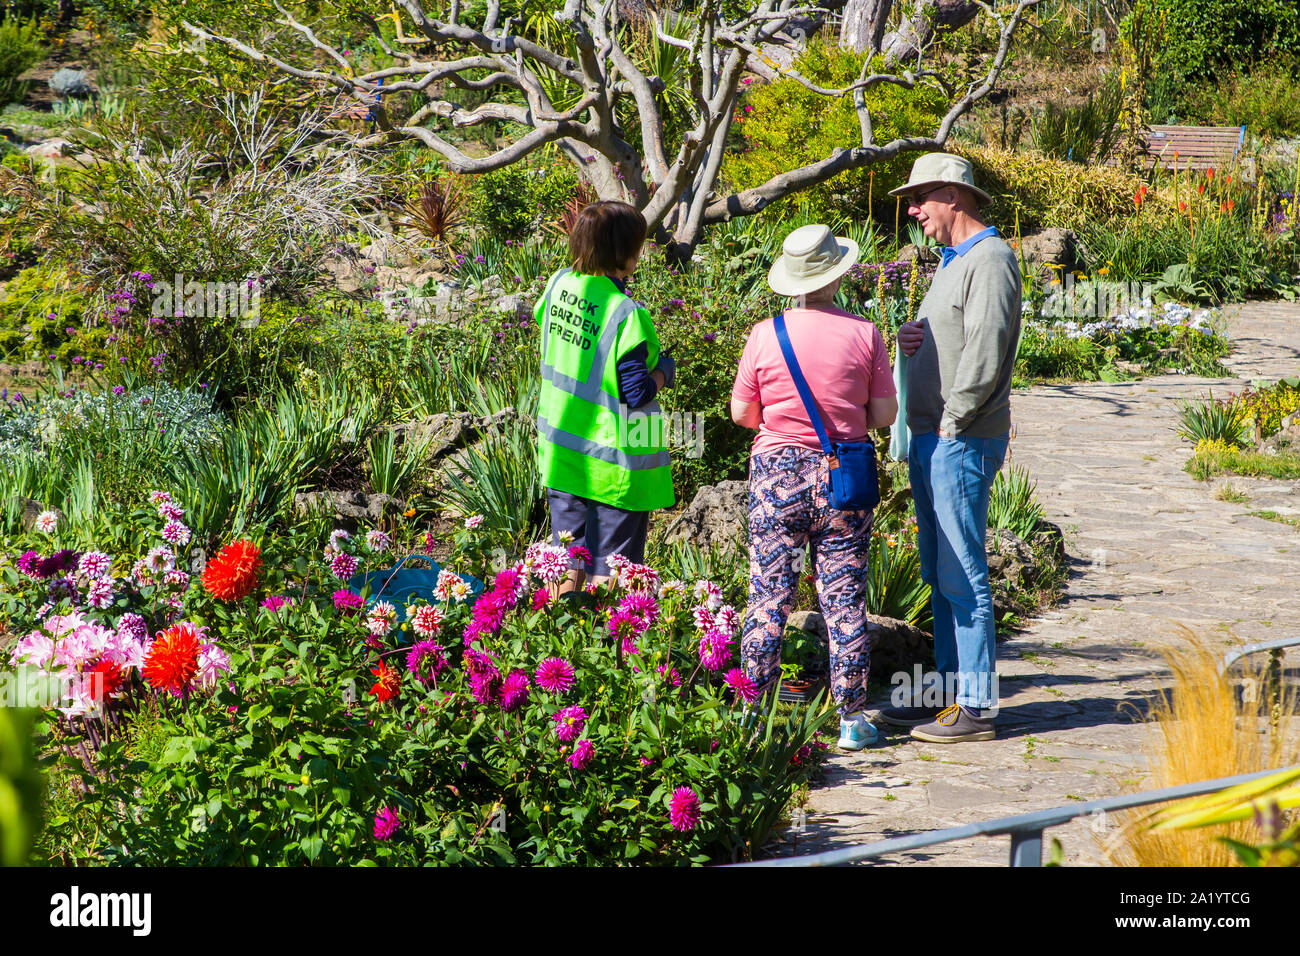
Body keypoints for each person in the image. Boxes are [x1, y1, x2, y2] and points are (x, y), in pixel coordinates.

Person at [731, 224, 898, 751]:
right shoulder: (866, 334)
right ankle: (851, 719)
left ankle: (751, 716)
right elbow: (884, 415)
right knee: (844, 601)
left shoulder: (765, 333)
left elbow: (742, 413)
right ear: (840, 273)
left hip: (775, 477)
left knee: (767, 596)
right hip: (841, 479)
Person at [878, 152, 1021, 743]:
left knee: (963, 573)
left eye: (920, 199)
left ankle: (977, 708)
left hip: (958, 438)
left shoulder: (990, 259)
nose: (913, 211)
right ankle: (945, 693)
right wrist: (915, 336)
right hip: (935, 435)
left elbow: (988, 348)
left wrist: (955, 421)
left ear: (954, 197)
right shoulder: (952, 261)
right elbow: (959, 334)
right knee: (940, 570)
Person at [534, 200, 678, 595]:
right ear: (625, 255)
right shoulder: (625, 313)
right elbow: (635, 391)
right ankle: (608, 646)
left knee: (564, 559)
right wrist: (665, 369)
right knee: (613, 565)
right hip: (616, 459)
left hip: (563, 448)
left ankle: (558, 645)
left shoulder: (558, 285)